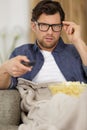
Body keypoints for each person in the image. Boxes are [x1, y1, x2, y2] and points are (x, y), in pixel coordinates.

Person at [0, 0, 87, 89]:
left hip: (72, 100)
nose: (50, 32)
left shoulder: (76, 51)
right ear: (34, 26)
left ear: (61, 27)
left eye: (55, 26)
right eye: (44, 25)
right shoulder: (22, 52)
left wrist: (78, 41)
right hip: (36, 101)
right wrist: (5, 68)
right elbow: (3, 88)